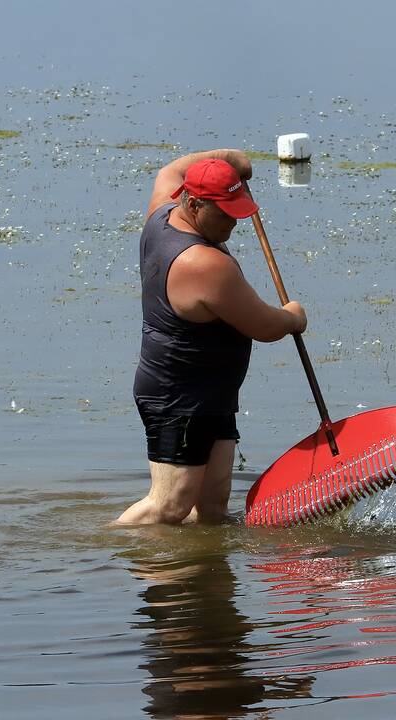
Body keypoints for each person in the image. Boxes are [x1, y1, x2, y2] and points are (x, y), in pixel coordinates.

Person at [115, 150, 307, 525]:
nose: (233, 224)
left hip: (212, 392)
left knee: (214, 507)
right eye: (224, 213)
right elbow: (266, 326)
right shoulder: (203, 264)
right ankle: (101, 559)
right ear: (193, 202)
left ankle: (203, 579)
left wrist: (232, 158)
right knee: (169, 506)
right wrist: (293, 317)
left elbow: (170, 168)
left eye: (238, 211)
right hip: (178, 396)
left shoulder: (161, 214)